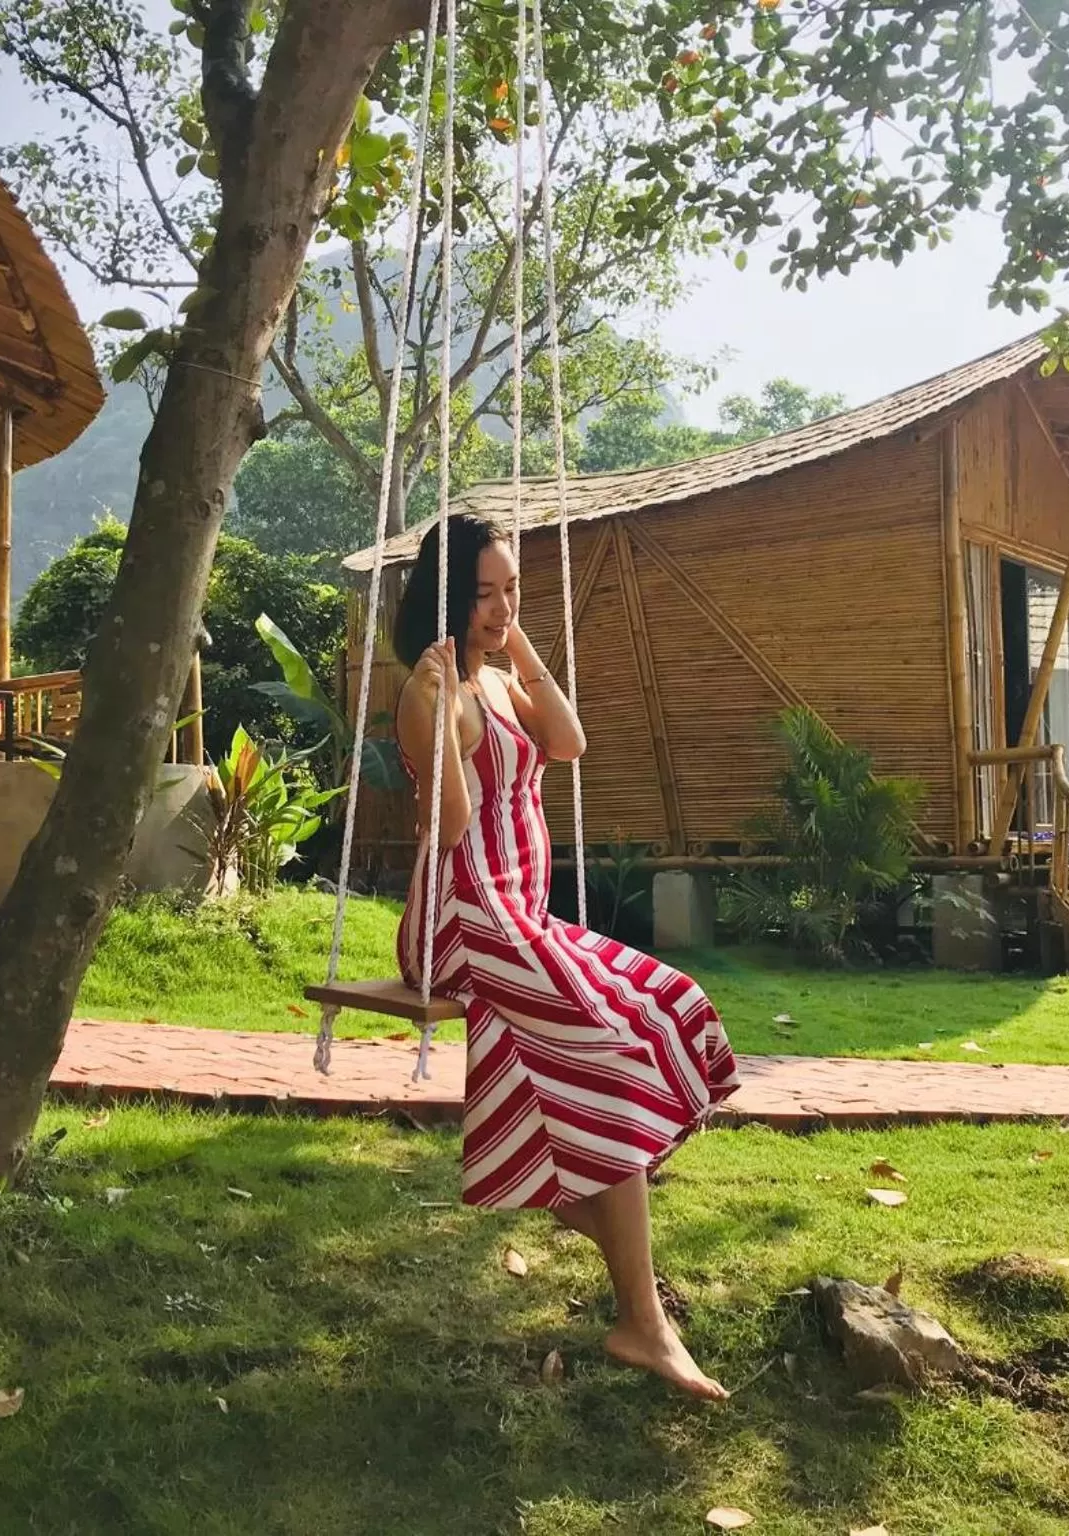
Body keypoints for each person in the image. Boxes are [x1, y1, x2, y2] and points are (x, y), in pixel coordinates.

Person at [392, 513, 739, 1400]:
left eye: (512, 590)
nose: (501, 607)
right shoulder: (431, 694)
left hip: (522, 915)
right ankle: (644, 1321)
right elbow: (456, 827)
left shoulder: (506, 683)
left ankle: (598, 1232)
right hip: (463, 919)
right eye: (482, 594)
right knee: (611, 1051)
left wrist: (520, 646)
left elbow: (571, 742)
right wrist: (436, 712)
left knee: (670, 1002)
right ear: (444, 599)